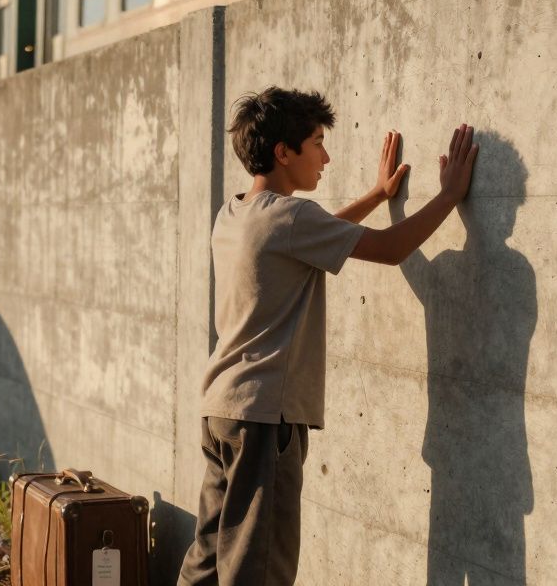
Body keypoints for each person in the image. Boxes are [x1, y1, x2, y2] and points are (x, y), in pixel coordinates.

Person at [177, 86, 479, 585]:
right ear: (284, 152)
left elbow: (312, 237)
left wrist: (377, 196)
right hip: (264, 419)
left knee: (207, 560)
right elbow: (389, 249)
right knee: (257, 569)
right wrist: (449, 195)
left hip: (222, 411)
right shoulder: (291, 217)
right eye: (317, 143)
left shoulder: (234, 214)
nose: (326, 157)